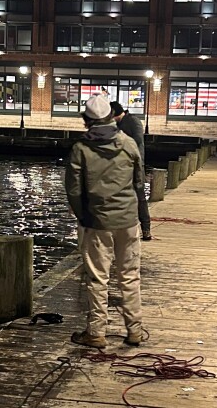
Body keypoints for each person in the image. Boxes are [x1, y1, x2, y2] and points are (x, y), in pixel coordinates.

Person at [65, 94, 145, 349]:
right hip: (128, 220)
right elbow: (139, 181)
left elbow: (74, 191)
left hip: (97, 221)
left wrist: (84, 216)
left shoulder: (81, 149)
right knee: (130, 276)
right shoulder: (129, 143)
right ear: (112, 116)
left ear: (86, 121)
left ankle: (97, 332)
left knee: (98, 278)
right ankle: (135, 331)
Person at [110, 101, 152, 241]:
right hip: (120, 167)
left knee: (140, 198)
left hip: (135, 165)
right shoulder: (117, 124)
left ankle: (146, 229)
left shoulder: (133, 122)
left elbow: (138, 142)